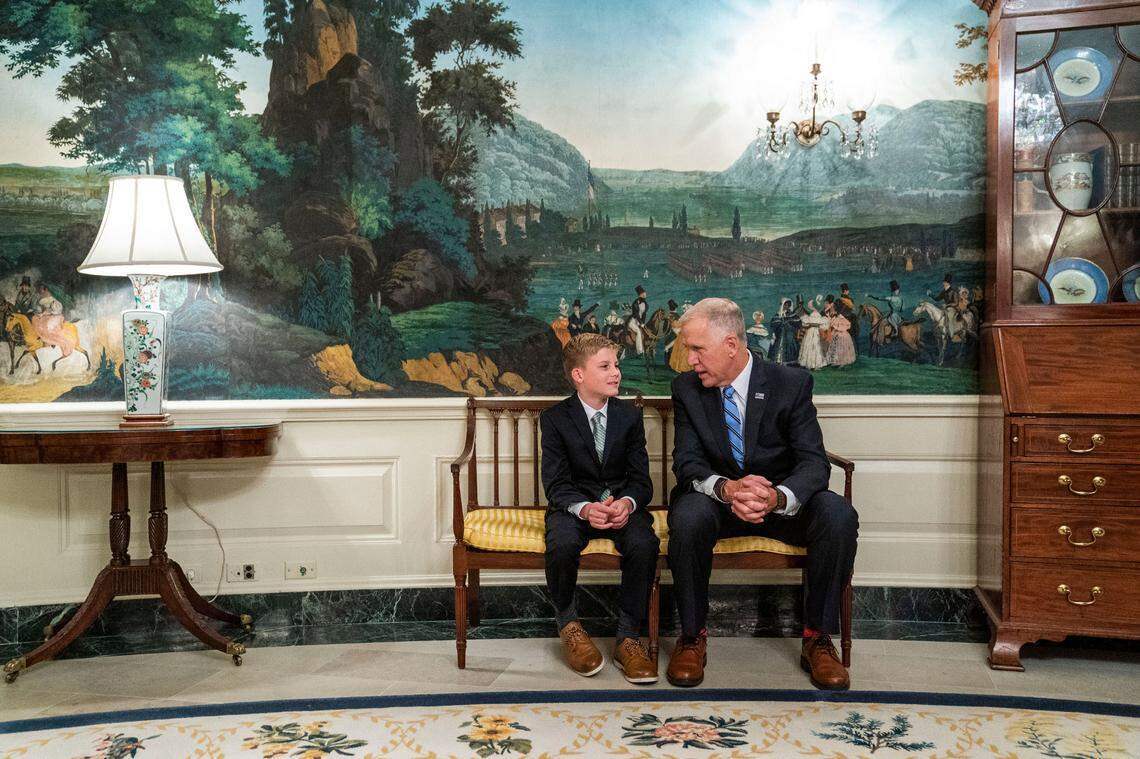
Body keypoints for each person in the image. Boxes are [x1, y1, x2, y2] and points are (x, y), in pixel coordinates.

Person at [665, 298, 858, 690]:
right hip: (720, 505)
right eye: (688, 349)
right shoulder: (686, 389)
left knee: (838, 514)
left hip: (781, 504)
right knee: (686, 514)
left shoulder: (791, 383)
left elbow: (812, 463)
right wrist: (727, 488)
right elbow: (687, 463)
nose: (690, 359)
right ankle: (692, 636)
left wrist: (776, 497)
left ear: (731, 345)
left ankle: (817, 639)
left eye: (697, 349)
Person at [540, 334, 659, 684]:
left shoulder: (629, 416)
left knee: (644, 544)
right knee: (561, 544)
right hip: (574, 509)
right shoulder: (556, 419)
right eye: (605, 366)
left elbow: (642, 480)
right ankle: (570, 626)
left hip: (620, 507)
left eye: (617, 365)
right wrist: (584, 507)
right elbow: (556, 484)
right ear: (579, 375)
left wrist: (627, 503)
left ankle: (628, 636)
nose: (616, 373)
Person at [797, 297, 829, 371]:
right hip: (816, 331)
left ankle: (810, 363)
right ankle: (815, 364)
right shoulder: (819, 316)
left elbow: (805, 324)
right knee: (816, 347)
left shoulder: (811, 315)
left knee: (809, 345)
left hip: (810, 331)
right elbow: (824, 326)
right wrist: (816, 326)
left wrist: (811, 325)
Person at [767, 299, 800, 365]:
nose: (786, 307)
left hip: (789, 334)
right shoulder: (778, 314)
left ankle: (789, 361)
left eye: (787, 305)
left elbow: (798, 322)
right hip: (780, 334)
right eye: (785, 305)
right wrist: (781, 323)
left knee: (790, 345)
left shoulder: (792, 314)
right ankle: (778, 360)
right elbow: (774, 323)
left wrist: (788, 321)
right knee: (778, 345)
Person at [627, 285, 649, 355]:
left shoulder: (645, 303)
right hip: (633, 321)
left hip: (640, 322)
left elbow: (644, 314)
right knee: (638, 332)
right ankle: (639, 351)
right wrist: (641, 323)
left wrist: (643, 323)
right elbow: (636, 314)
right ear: (640, 295)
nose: (645, 294)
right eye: (644, 293)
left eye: (645, 293)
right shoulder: (635, 303)